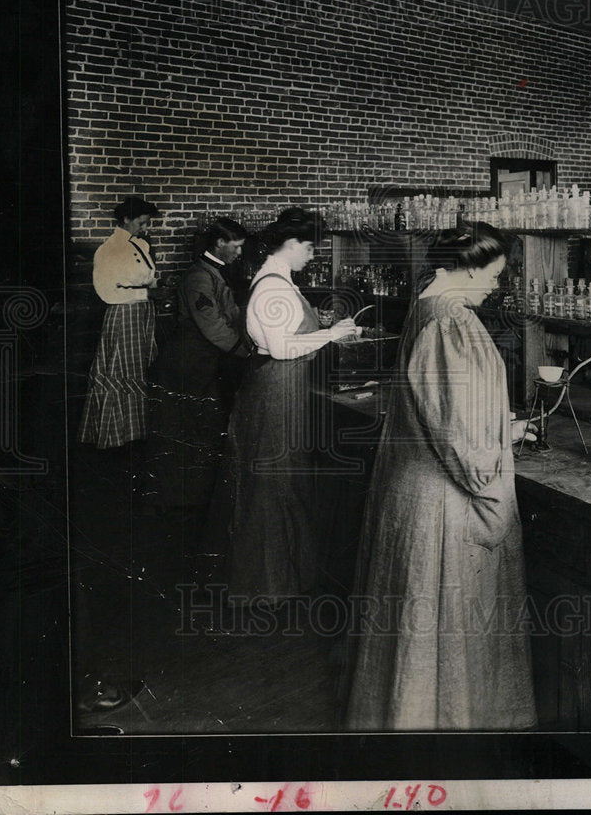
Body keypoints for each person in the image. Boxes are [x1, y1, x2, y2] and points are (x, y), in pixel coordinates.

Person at [344, 222, 537, 730]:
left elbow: (440, 405)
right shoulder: (451, 322)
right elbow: (461, 437)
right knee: (448, 634)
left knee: (419, 639)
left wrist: (496, 424)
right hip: (445, 504)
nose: (496, 286)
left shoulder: (424, 307)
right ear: (470, 267)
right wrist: (492, 483)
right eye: (494, 275)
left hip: (411, 491)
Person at [209, 207, 359, 603]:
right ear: (291, 244)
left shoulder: (278, 280)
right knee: (275, 483)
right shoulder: (274, 286)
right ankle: (267, 586)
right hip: (276, 388)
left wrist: (324, 328)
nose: (313, 254)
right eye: (310, 247)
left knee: (284, 481)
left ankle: (284, 579)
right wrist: (331, 334)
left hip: (282, 387)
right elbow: (281, 346)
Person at [143, 218, 251, 519]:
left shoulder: (213, 273)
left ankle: (189, 496)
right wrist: (247, 351)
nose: (239, 253)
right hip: (188, 362)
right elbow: (213, 326)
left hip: (204, 361)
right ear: (219, 243)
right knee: (181, 428)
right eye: (236, 246)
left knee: (198, 427)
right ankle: (174, 500)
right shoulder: (199, 277)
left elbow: (230, 314)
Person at [78, 196, 161, 449]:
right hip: (123, 315)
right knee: (119, 371)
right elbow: (107, 293)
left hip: (142, 315)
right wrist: (146, 294)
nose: (145, 229)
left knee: (139, 370)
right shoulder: (108, 249)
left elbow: (145, 278)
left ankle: (135, 430)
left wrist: (158, 285)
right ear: (126, 219)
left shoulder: (140, 245)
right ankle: (114, 434)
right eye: (142, 223)